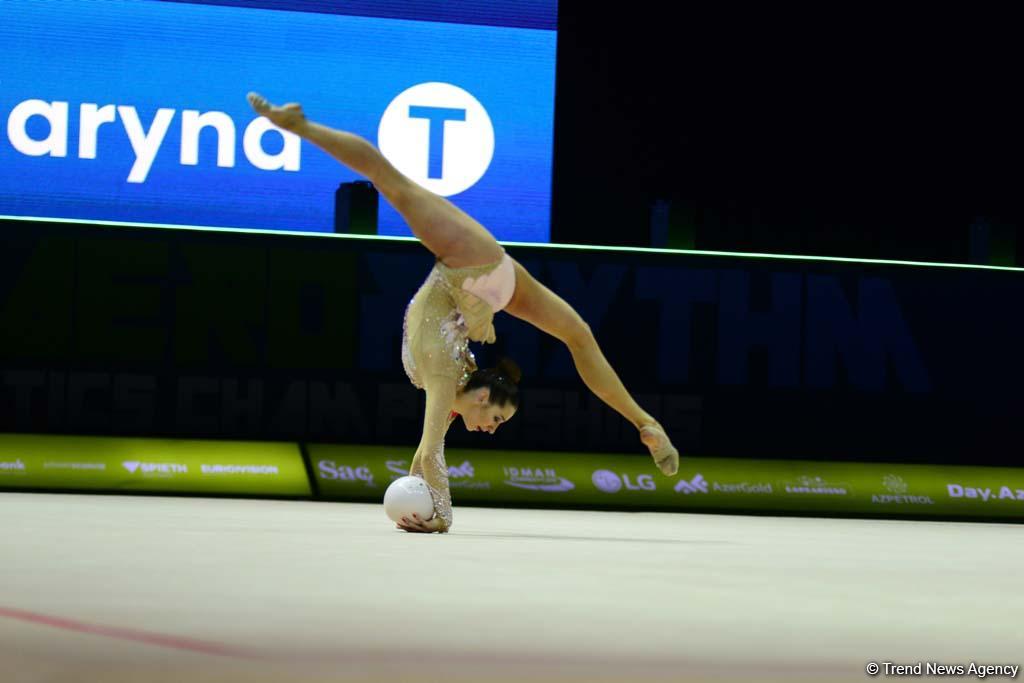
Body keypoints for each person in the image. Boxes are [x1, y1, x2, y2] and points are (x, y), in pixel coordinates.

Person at [247, 92, 679, 534]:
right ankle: (299, 126)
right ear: (480, 396)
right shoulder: (444, 375)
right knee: (388, 179)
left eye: (497, 424)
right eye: (496, 418)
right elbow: (432, 451)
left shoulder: (452, 387)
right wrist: (441, 519)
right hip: (471, 270)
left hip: (477, 279)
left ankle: (646, 423)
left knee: (578, 333)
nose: (492, 430)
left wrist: (417, 505)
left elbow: (424, 452)